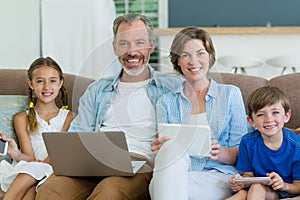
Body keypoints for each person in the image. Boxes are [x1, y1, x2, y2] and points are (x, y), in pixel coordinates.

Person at [36, 13, 183, 200]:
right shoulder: (97, 89)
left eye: (139, 43)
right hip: (92, 163)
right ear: (114, 48)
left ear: (151, 46)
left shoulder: (172, 87)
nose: (132, 51)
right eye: (124, 44)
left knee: (109, 193)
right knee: (51, 190)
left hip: (139, 165)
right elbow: (79, 133)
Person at [149, 27, 249, 200]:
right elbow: (167, 157)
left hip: (218, 175)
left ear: (210, 56)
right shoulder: (165, 102)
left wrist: (219, 152)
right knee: (170, 148)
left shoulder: (231, 94)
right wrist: (160, 149)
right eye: (185, 55)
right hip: (179, 171)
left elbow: (243, 153)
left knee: (164, 186)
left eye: (200, 53)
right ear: (177, 60)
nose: (193, 61)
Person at [0, 57, 74, 200]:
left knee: (34, 170)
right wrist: (16, 153)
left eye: (52, 81)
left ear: (60, 83)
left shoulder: (70, 117)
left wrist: (41, 164)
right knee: (30, 191)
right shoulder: (21, 118)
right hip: (30, 169)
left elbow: (61, 152)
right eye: (40, 81)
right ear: (31, 84)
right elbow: (29, 157)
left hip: (53, 167)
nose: (47, 87)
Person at [227, 86, 300, 200]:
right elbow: (248, 175)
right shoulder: (247, 142)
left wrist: (283, 186)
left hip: (284, 191)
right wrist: (241, 182)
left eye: (275, 112)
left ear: (286, 115)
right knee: (242, 194)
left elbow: (298, 186)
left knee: (256, 188)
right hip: (256, 188)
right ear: (251, 121)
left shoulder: (297, 146)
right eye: (261, 114)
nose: (269, 119)